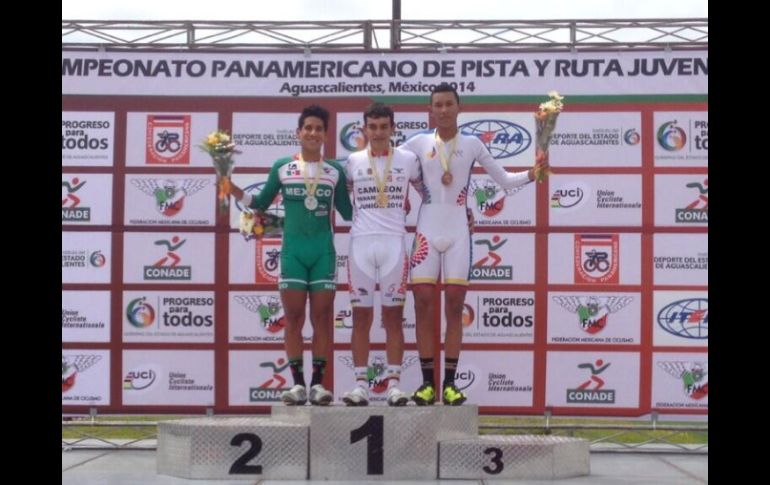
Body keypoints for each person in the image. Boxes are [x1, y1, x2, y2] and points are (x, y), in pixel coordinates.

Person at [401, 83, 550, 406]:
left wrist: (532, 173)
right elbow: (391, 170)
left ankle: (450, 384)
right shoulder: (416, 143)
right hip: (426, 228)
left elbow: (505, 180)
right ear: (430, 110)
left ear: (459, 107)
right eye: (437, 105)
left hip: (457, 229)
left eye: (448, 104)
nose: (443, 110)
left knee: (454, 307)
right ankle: (428, 385)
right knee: (423, 305)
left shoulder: (472, 144)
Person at [227, 105, 353, 406]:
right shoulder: (283, 166)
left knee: (322, 319)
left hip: (322, 252)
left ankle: (319, 386)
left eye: (318, 129)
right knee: (294, 318)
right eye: (307, 128)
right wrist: (232, 189)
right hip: (293, 253)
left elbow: (349, 212)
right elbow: (260, 202)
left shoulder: (334, 170)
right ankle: (297, 385)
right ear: (298, 133)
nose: (312, 133)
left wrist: (383, 207)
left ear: (325, 135)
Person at [340, 103, 423, 407]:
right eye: (372, 127)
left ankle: (394, 385)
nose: (377, 132)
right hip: (360, 244)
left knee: (393, 319)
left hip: (394, 245)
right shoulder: (351, 161)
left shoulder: (409, 160)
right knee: (361, 318)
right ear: (364, 129)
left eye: (383, 127)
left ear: (392, 128)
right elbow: (340, 197)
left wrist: (460, 210)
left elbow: (429, 195)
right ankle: (360, 384)